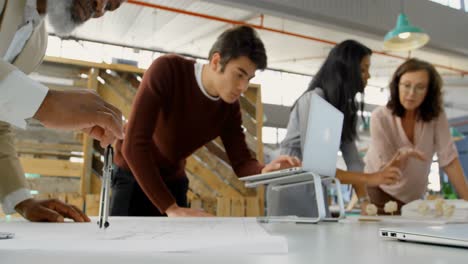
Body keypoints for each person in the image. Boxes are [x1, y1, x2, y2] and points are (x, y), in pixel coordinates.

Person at [111, 25, 301, 217]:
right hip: (132, 172)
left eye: (249, 79)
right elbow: (133, 146)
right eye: (239, 75)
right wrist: (170, 208)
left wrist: (265, 170)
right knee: (124, 244)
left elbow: (242, 162)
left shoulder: (229, 107)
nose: (243, 87)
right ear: (216, 61)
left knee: (176, 245)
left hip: (172, 179)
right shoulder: (167, 70)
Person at [0, 0, 126, 222]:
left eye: (110, 6)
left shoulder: (36, 45)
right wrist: (46, 102)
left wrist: (22, 200)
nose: (99, 7)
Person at [268, 40, 402, 217]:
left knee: (318, 238)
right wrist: (372, 178)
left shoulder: (344, 110)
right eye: (362, 69)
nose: (368, 76)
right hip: (291, 187)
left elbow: (354, 161)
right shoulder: (315, 99)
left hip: (315, 189)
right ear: (345, 70)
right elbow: (318, 166)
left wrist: (364, 202)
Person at [365, 58, 468, 214]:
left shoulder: (436, 116)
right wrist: (402, 157)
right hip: (380, 192)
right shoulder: (380, 117)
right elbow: (386, 172)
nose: (411, 94)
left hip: (414, 198)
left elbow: (449, 160)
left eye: (420, 87)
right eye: (407, 85)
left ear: (429, 91)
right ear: (397, 85)